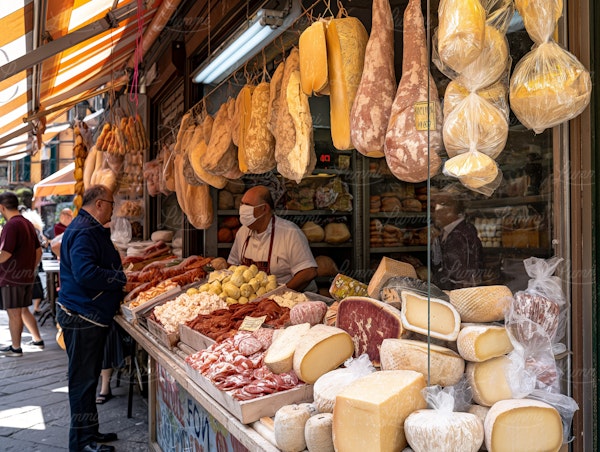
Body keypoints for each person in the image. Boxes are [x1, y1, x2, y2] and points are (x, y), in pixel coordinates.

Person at [56, 185, 126, 452]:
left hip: (86, 314)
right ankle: (82, 443)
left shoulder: (85, 226)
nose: (113, 209)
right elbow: (86, 273)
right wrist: (120, 279)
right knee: (83, 382)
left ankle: (90, 433)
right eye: (111, 203)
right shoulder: (85, 230)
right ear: (99, 203)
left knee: (87, 379)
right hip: (83, 315)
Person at [228, 185, 318, 292]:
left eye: (247, 205)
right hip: (256, 300)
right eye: (241, 204)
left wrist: (280, 293)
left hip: (290, 300)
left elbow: (308, 272)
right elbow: (232, 265)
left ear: (264, 208)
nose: (242, 209)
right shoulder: (243, 232)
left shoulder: (290, 232)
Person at [0, 192, 45, 357]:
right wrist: (31, 268)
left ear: (2, 207)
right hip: (25, 276)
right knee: (22, 310)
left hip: (11, 277)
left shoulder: (11, 225)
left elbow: (5, 253)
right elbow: (39, 251)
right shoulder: (27, 223)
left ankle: (16, 347)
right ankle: (36, 339)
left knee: (13, 313)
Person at [430, 192, 484, 290]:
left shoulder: (462, 235)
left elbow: (461, 276)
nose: (436, 210)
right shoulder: (447, 233)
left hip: (458, 295)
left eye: (443, 204)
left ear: (453, 209)